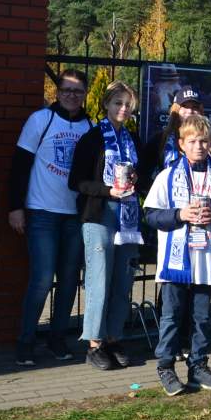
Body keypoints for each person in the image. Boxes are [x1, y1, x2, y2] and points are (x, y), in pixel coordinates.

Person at [144, 115, 211, 396]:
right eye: (192, 142)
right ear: (181, 144)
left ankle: (198, 365)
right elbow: (150, 215)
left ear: (210, 143)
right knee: (172, 315)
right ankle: (165, 366)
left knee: (202, 316)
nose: (199, 146)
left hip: (207, 258)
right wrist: (180, 215)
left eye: (203, 141)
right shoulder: (167, 176)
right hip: (176, 259)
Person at [10, 69, 92, 366]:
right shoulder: (40, 120)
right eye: (66, 90)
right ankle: (26, 341)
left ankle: (58, 339)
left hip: (74, 215)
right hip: (42, 212)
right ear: (57, 92)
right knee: (42, 279)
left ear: (85, 94)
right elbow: (20, 165)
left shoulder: (89, 126)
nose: (72, 95)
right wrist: (15, 207)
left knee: (69, 280)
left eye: (78, 91)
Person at [68, 80, 145, 370]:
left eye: (127, 104)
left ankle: (114, 337)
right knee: (99, 279)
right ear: (106, 104)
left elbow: (143, 176)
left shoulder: (133, 140)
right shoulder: (92, 138)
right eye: (117, 103)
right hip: (100, 214)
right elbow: (76, 181)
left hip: (128, 217)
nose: (123, 109)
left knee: (122, 281)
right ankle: (94, 343)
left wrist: (136, 181)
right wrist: (107, 190)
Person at [141, 87, 205, 180]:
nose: (190, 111)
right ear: (176, 109)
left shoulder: (209, 141)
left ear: (201, 111)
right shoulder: (159, 140)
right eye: (185, 106)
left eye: (194, 107)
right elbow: (143, 175)